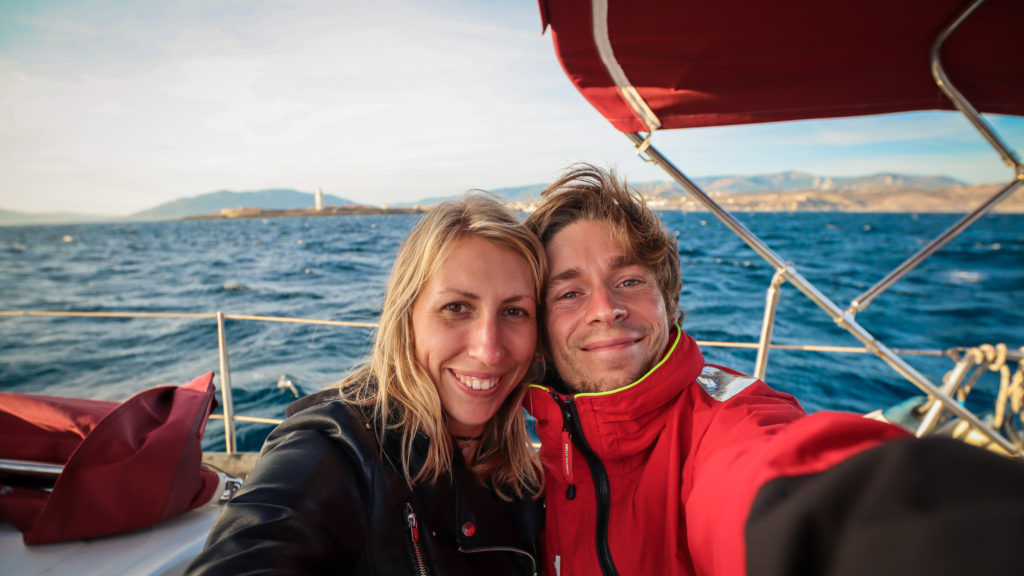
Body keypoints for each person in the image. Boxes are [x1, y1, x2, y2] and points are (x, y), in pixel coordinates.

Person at [522, 164, 1024, 576]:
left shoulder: (727, 422)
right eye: (570, 293)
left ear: (670, 304)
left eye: (630, 280)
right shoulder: (524, 461)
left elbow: (784, 481)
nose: (606, 308)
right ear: (540, 329)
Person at [187, 195, 546, 575]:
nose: (489, 350)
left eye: (514, 311)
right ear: (406, 318)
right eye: (456, 307)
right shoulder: (336, 449)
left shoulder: (528, 479)